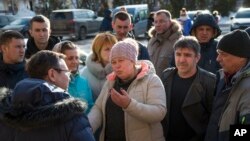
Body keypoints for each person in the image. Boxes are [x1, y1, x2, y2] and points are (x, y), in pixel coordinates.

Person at [0, 50, 95, 141]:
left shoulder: (6, 112)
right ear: (52, 74)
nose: (69, 77)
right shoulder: (72, 117)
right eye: (66, 72)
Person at [88, 38, 166, 141]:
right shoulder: (110, 82)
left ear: (133, 60)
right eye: (113, 62)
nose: (117, 66)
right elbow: (98, 108)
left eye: (121, 60)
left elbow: (159, 112)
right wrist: (87, 127)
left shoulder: (151, 80)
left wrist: (129, 105)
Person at [161, 36, 216, 141]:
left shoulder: (209, 81)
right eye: (178, 54)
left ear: (197, 57)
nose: (181, 60)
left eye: (187, 55)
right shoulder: (166, 75)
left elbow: (213, 118)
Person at [205, 30, 250, 141]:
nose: (218, 59)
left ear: (242, 57)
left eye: (223, 54)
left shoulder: (248, 87)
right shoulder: (223, 76)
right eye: (218, 53)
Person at [53, 41, 94, 113]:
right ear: (60, 61)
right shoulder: (54, 85)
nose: (75, 61)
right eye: (70, 58)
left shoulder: (84, 81)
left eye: (77, 58)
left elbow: (90, 106)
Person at [80, 32, 117, 101]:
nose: (112, 52)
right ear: (98, 51)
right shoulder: (84, 74)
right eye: (107, 49)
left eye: (114, 48)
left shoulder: (120, 70)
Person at [147, 9, 182, 77]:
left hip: (169, 84)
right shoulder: (152, 41)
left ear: (170, 22)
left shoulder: (178, 41)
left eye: (161, 21)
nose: (157, 25)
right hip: (151, 84)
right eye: (155, 22)